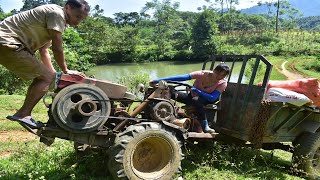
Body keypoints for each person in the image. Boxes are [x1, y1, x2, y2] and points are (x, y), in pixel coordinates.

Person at [0, 0, 90, 129]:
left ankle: (23, 114)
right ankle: (23, 114)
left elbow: (44, 50)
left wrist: (54, 75)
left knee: (47, 77)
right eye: (78, 16)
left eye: (82, 19)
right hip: (7, 42)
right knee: (46, 78)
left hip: (7, 43)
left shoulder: (57, 18)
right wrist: (66, 70)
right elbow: (57, 48)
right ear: (68, 7)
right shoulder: (56, 14)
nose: (78, 21)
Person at [151, 63, 230, 133]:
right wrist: (159, 80)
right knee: (171, 92)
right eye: (218, 73)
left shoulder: (222, 83)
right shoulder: (202, 74)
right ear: (214, 70)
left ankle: (205, 125)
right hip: (192, 97)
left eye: (222, 75)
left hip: (206, 100)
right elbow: (183, 77)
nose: (219, 76)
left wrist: (197, 91)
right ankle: (164, 113)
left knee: (196, 100)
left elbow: (212, 98)